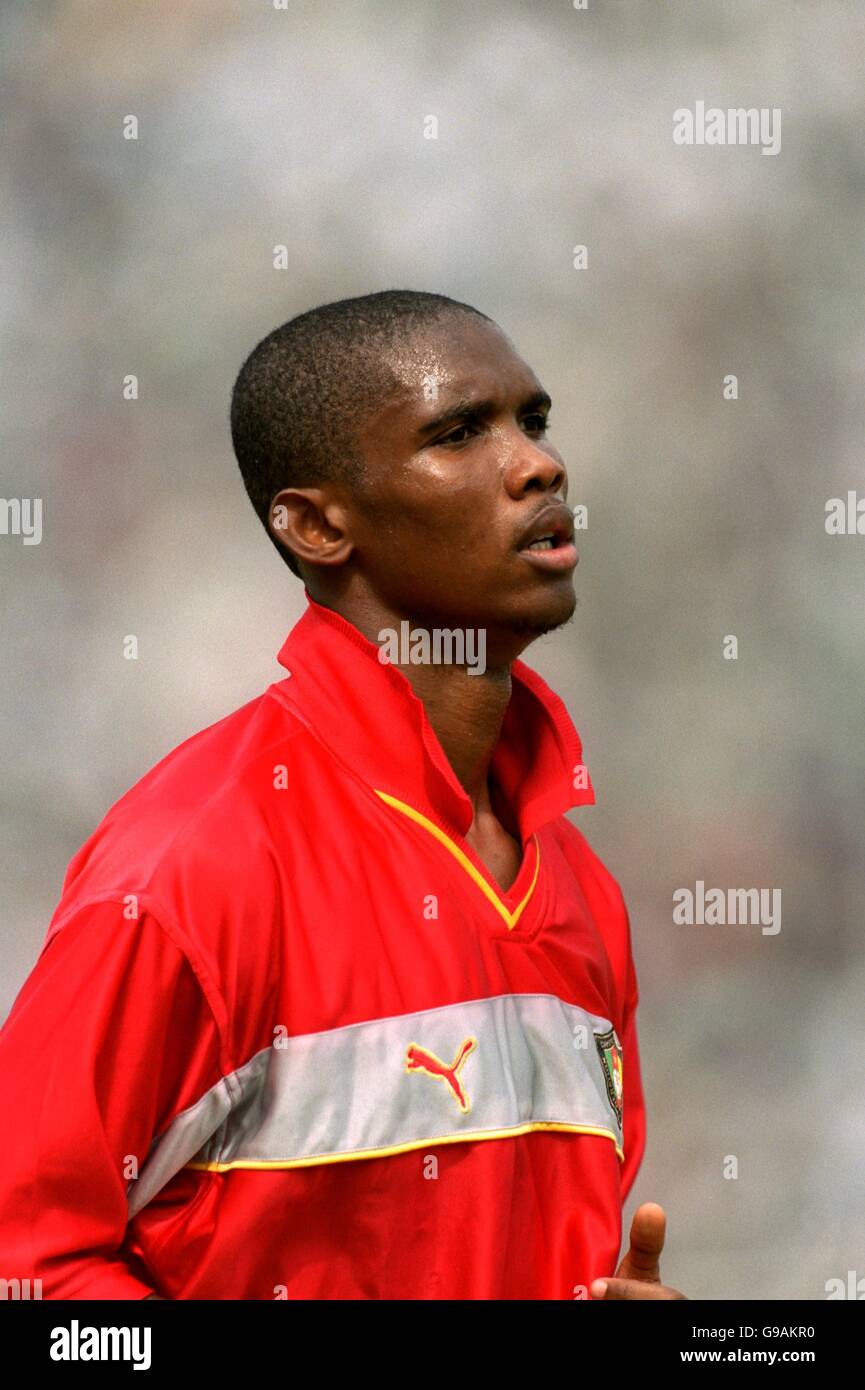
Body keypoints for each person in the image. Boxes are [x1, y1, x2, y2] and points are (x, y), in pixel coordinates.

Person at [0, 289, 685, 1300]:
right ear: (319, 524)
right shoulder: (193, 862)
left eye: (531, 421)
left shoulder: (575, 881)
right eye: (458, 432)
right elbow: (28, 1271)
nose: (539, 464)